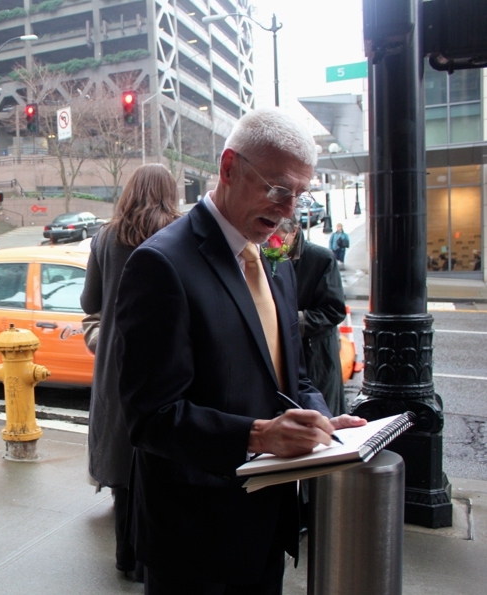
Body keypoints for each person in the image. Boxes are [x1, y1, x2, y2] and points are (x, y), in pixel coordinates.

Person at [112, 107, 366, 594]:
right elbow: (149, 417)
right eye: (277, 188)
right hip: (195, 538)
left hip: (266, 525)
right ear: (229, 168)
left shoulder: (273, 261)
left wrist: (320, 422)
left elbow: (292, 376)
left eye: (299, 193)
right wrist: (257, 435)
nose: (289, 207)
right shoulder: (161, 264)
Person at [80, 164, 181, 582]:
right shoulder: (180, 231)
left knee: (122, 458)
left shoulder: (106, 236)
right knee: (162, 457)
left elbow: (91, 301)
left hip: (117, 359)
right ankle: (154, 561)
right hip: (169, 355)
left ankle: (126, 557)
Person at [274, 215, 348, 415]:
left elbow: (334, 310)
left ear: (294, 232)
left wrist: (292, 322)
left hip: (315, 356)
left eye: (279, 240)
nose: (272, 246)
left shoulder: (321, 258)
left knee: (321, 415)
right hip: (284, 356)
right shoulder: (268, 256)